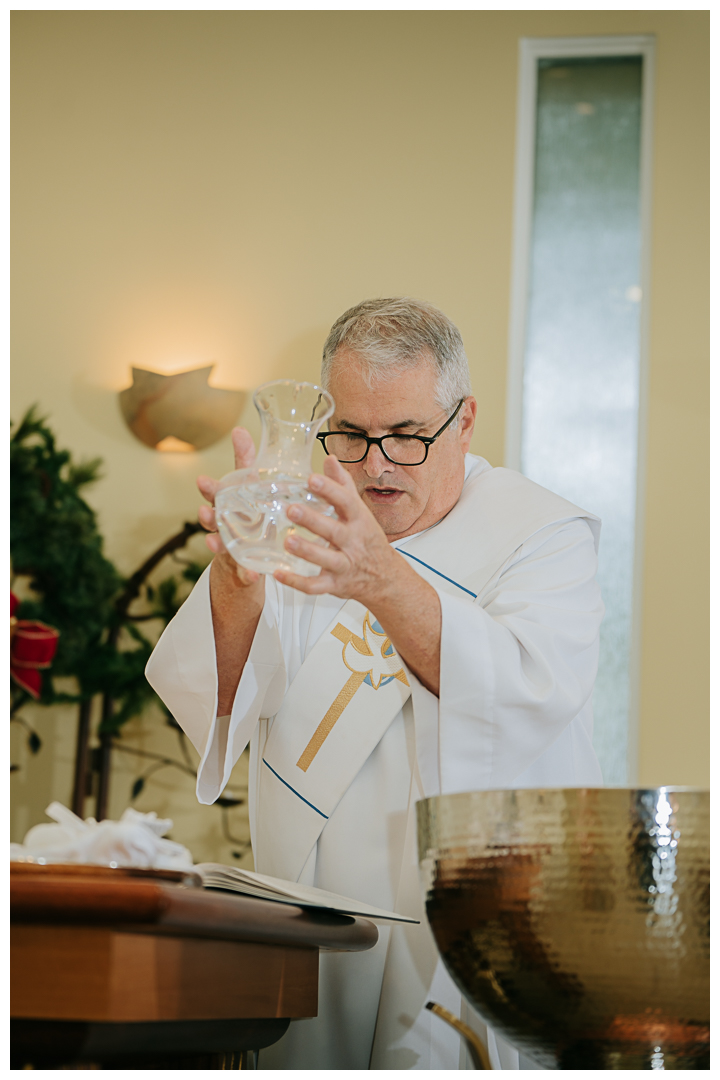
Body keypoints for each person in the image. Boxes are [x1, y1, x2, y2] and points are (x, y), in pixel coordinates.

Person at [146, 297, 604, 1070]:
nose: (376, 464)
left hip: (468, 925)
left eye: (406, 436)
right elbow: (224, 698)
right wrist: (235, 574)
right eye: (352, 436)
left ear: (463, 422)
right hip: (312, 914)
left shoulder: (540, 536)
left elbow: (525, 693)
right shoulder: (304, 518)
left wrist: (380, 581)